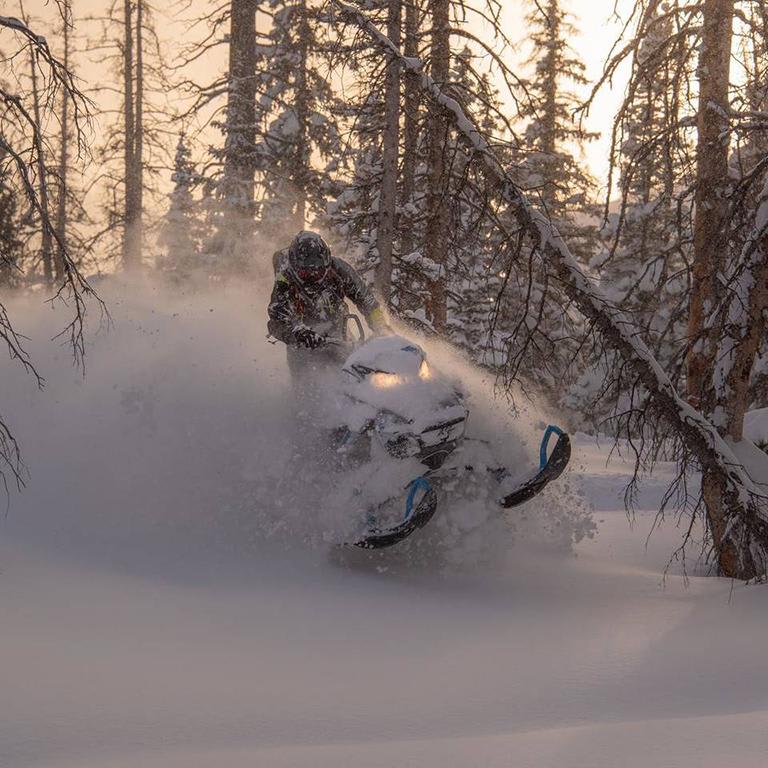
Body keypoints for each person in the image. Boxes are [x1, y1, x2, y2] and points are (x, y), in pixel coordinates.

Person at [267, 231, 386, 382]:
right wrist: (297, 332)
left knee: (358, 375)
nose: (312, 275)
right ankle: (302, 403)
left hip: (339, 336)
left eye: (318, 271)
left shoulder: (339, 270)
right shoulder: (285, 279)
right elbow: (276, 320)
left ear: (327, 262)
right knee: (306, 386)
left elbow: (368, 302)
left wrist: (381, 327)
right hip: (302, 344)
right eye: (305, 272)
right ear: (295, 266)